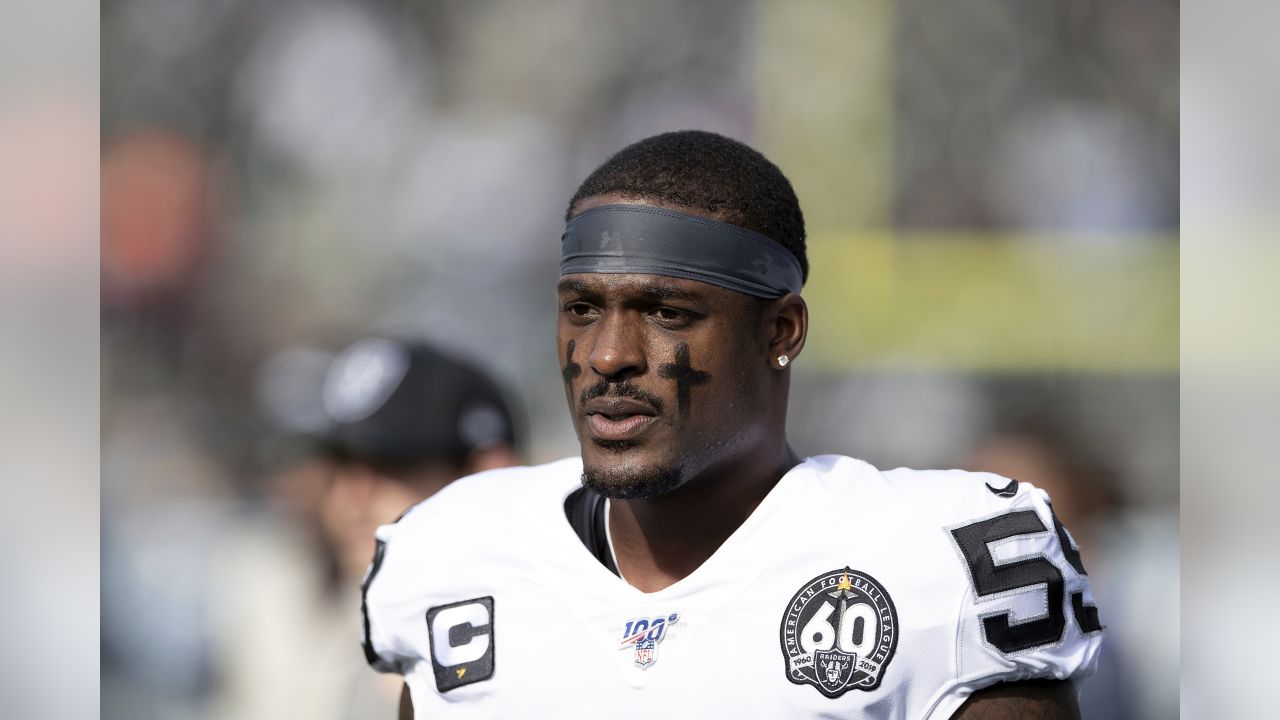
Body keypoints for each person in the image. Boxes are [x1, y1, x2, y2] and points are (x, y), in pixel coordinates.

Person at [361, 131, 1102, 719]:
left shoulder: (937, 566)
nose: (608, 355)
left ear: (781, 331)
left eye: (667, 312)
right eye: (582, 309)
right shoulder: (455, 555)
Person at [212, 336, 520, 720]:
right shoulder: (371, 652)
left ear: (487, 472)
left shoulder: (561, 639)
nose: (347, 500)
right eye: (340, 466)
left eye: (391, 463)